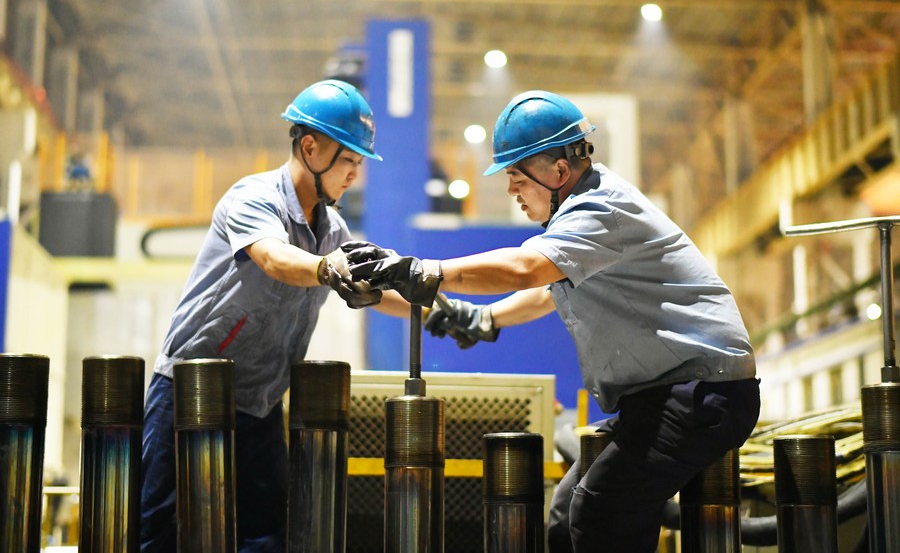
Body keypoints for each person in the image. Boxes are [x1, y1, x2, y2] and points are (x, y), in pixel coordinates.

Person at [347, 90, 760, 553]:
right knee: (566, 515)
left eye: (517, 177)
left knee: (602, 514)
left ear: (559, 170)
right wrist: (481, 319)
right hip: (669, 398)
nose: (512, 191)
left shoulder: (601, 208)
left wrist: (424, 270)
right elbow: (545, 294)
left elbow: (526, 269)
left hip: (701, 396)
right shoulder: (583, 217)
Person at [140, 79, 407, 552]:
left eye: (359, 163)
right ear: (310, 147)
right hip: (189, 390)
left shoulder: (333, 228)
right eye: (348, 160)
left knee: (265, 538)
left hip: (259, 406)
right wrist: (328, 267)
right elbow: (274, 259)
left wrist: (444, 310)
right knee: (159, 531)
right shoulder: (254, 198)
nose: (354, 175)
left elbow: (371, 288)